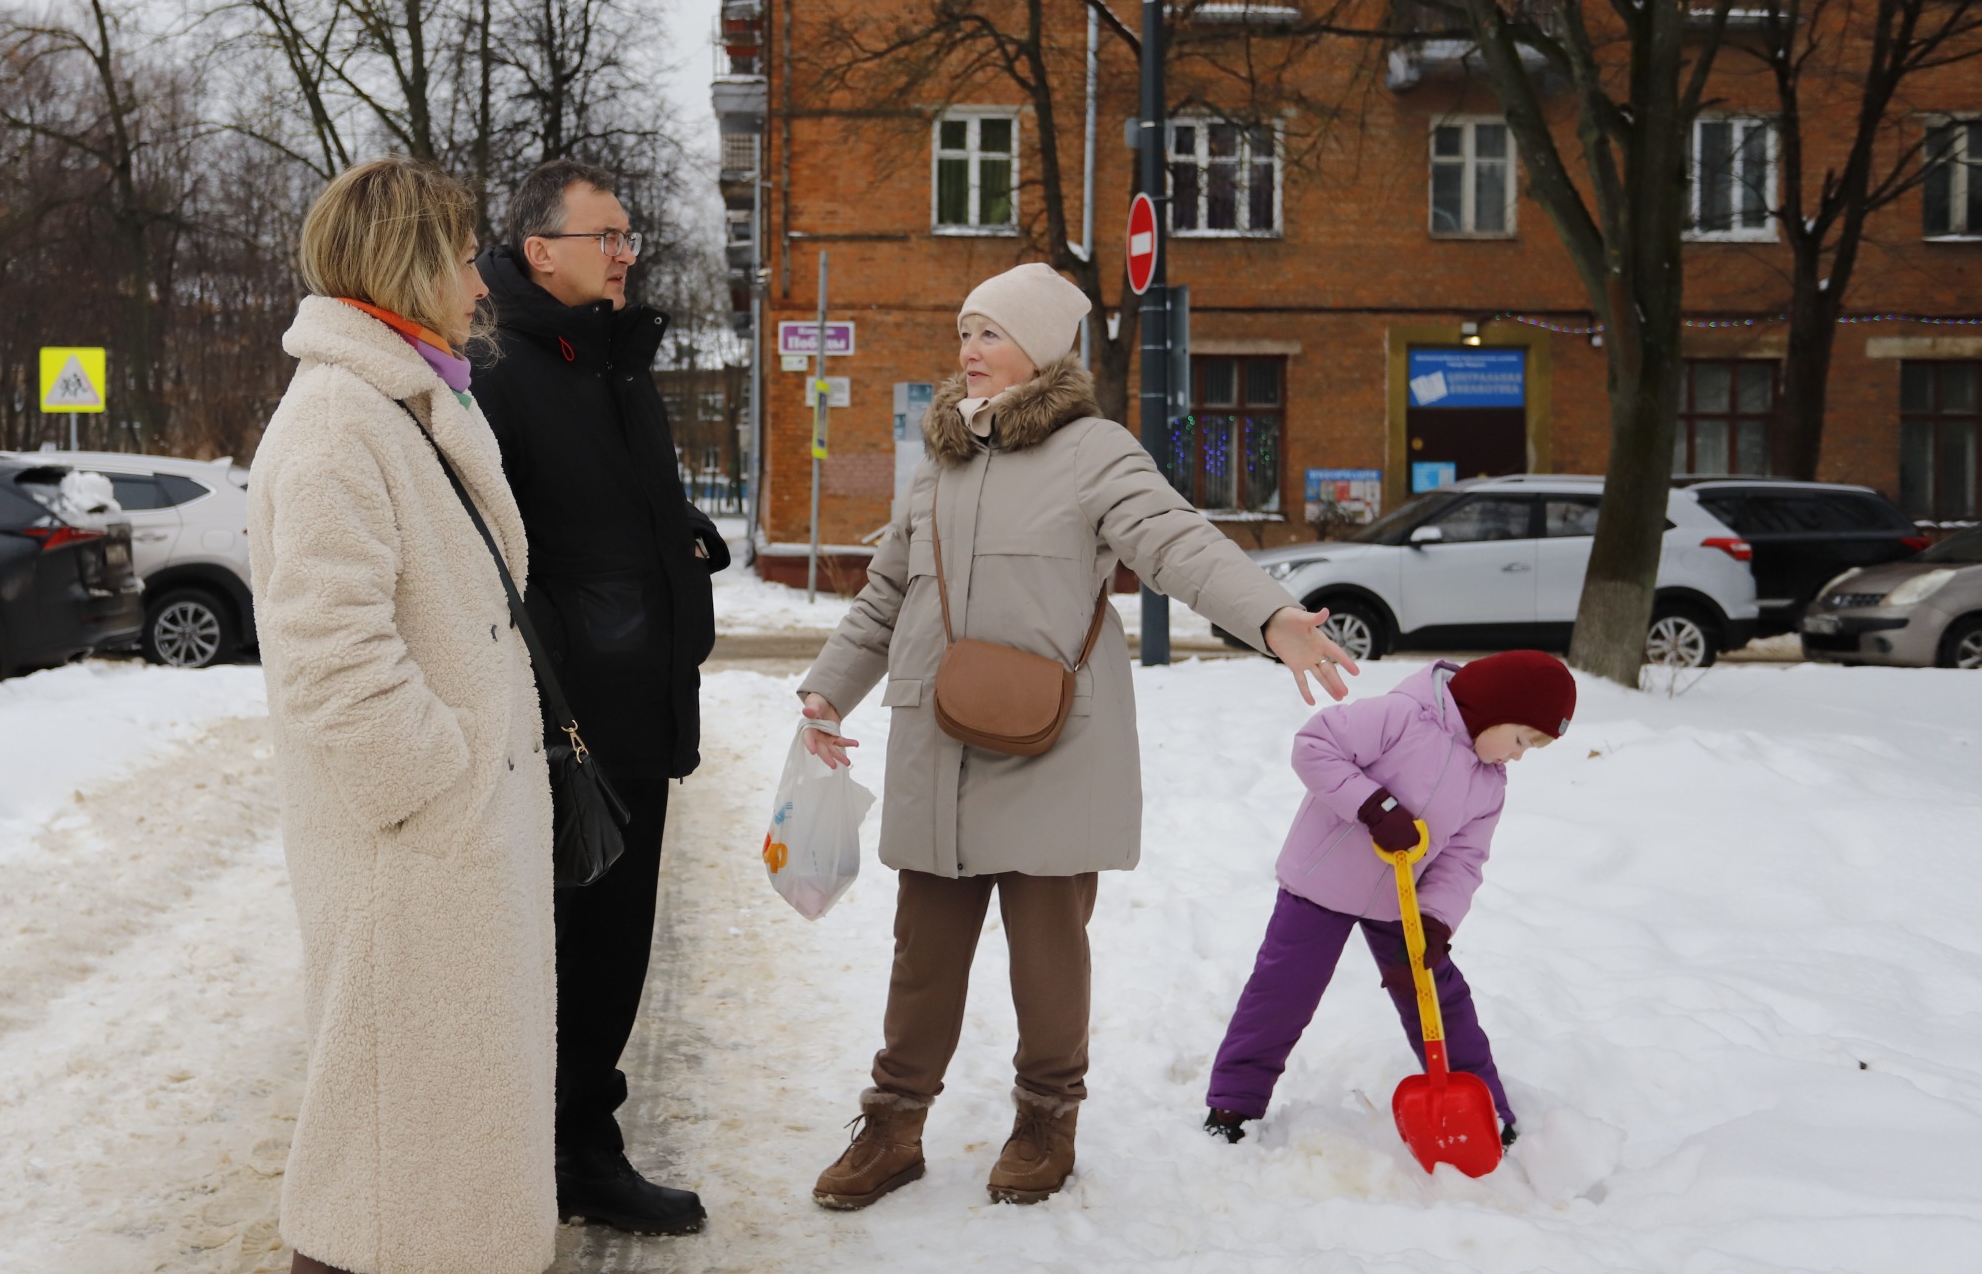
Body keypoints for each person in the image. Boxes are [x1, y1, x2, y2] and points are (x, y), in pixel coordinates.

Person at [794, 262, 1359, 1210]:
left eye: (990, 334)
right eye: (963, 332)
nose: (968, 351)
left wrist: (1270, 617)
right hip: (939, 738)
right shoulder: (939, 458)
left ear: (1043, 351)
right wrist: (827, 695)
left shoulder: (1094, 451)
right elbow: (887, 594)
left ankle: (1046, 1118)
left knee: (1047, 948)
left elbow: (1178, 543)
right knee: (921, 949)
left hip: (1051, 740)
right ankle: (893, 1124)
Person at [248, 157, 556, 1274]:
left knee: (429, 1137)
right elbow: (329, 656)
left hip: (447, 853)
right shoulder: (340, 421)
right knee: (381, 1154)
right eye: (464, 257)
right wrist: (440, 783)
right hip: (414, 851)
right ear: (407, 263)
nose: (480, 284)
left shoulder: (398, 401)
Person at [470, 158, 723, 1236]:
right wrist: (565, 667)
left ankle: (576, 1146)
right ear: (542, 252)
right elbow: (494, 560)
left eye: (627, 235)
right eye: (605, 235)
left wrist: (679, 547)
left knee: (617, 949)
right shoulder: (500, 373)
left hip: (638, 713)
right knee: (563, 952)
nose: (626, 251)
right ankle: (552, 1154)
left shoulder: (615, 363)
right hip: (565, 726)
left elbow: (609, 518)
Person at [1202, 648, 1577, 1148]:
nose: (1517, 755)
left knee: (1440, 998)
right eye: (1521, 739)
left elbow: (1463, 860)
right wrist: (1375, 807)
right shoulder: (1403, 716)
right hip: (1322, 883)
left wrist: (1436, 921)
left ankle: (1485, 1108)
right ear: (1493, 709)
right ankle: (1234, 1104)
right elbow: (1314, 746)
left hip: (1402, 902)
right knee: (1283, 992)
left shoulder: (1489, 785)